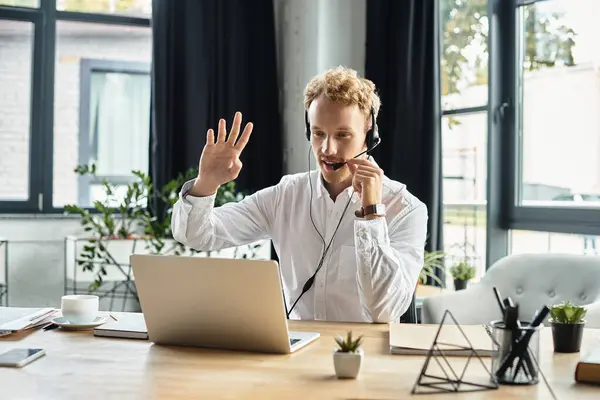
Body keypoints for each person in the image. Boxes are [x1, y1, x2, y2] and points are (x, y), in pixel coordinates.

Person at [171, 66, 428, 323]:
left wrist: (372, 212)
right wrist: (206, 184)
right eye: (318, 134)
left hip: (365, 357)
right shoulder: (286, 196)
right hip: (296, 354)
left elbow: (385, 310)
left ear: (369, 134)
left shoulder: (406, 209)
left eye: (342, 135)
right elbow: (197, 235)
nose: (327, 149)